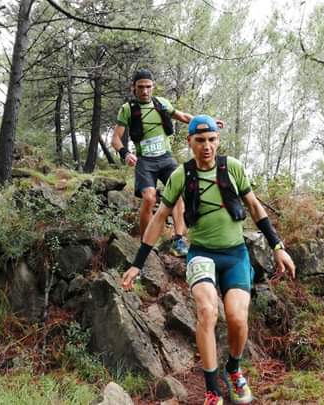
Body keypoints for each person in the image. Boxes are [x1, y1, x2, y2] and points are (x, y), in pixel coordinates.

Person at [121, 115, 296, 405]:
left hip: (236, 254)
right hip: (201, 253)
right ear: (189, 142)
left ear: (218, 140)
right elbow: (161, 217)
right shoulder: (181, 175)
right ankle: (212, 389)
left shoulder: (233, 168)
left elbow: (254, 207)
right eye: (200, 140)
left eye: (212, 140)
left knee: (238, 319)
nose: (206, 146)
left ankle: (234, 370)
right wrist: (138, 262)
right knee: (206, 311)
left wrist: (278, 246)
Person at [112, 68, 209, 256]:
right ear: (134, 88)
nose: (145, 91)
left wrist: (208, 123)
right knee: (149, 198)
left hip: (165, 158)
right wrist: (125, 153)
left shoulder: (162, 104)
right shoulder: (128, 109)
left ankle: (178, 239)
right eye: (141, 87)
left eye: (148, 86)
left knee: (179, 192)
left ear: (153, 86)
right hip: (145, 161)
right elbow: (116, 138)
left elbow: (185, 118)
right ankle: (145, 242)